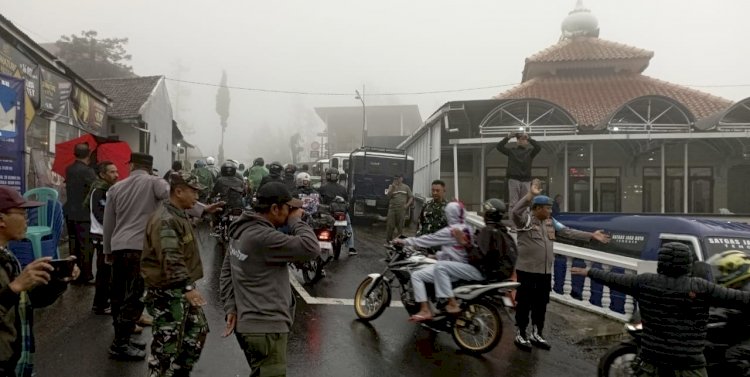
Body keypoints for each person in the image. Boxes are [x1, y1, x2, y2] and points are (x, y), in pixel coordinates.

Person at [104, 152, 222, 360]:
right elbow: (176, 196)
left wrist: (108, 250)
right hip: (140, 247)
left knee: (119, 295)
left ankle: (121, 337)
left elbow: (109, 223)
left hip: (119, 245)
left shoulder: (116, 187)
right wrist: (202, 210)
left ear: (131, 165)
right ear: (149, 167)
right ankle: (120, 344)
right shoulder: (155, 183)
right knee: (135, 297)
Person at [571, 243, 750, 377]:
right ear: (687, 264)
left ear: (661, 262)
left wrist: (589, 272)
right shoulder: (701, 287)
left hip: (652, 364)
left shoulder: (646, 282)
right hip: (689, 367)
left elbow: (614, 279)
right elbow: (738, 298)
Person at [220, 182, 320, 376]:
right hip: (265, 329)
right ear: (275, 208)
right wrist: (297, 222)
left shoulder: (242, 229)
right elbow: (311, 248)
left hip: (251, 326)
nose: (292, 212)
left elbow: (227, 270)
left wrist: (230, 306)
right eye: (288, 208)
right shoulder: (263, 237)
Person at [512, 179, 610, 351]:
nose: (550, 211)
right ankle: (521, 334)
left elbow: (567, 231)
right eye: (547, 208)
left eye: (550, 208)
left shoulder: (550, 222)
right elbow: (515, 211)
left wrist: (591, 235)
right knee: (524, 303)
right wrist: (530, 195)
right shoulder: (525, 220)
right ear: (537, 209)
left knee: (541, 304)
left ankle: (537, 333)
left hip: (544, 272)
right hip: (527, 271)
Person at [0, 185, 79, 376]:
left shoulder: (7, 257)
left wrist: (57, 280)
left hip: (15, 359)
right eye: (22, 213)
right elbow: (10, 296)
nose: (27, 220)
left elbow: (26, 303)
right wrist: (15, 288)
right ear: (1, 219)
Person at [141, 172, 209, 376]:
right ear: (178, 191)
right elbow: (171, 257)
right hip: (168, 293)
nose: (197, 197)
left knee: (196, 333)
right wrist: (187, 287)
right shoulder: (166, 220)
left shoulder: (179, 214)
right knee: (166, 346)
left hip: (181, 288)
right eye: (193, 192)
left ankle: (180, 372)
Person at [393, 202, 481, 321]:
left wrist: (405, 241)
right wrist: (436, 255)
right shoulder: (468, 228)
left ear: (450, 214)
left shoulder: (451, 231)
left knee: (417, 275)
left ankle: (425, 310)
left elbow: (429, 239)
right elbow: (455, 250)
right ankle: (436, 304)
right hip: (461, 266)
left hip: (456, 270)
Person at [706, 250, 750, 376]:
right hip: (740, 332)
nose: (721, 274)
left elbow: (729, 310)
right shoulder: (737, 286)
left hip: (746, 337)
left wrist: (706, 315)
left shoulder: (747, 288)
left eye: (726, 270)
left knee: (732, 355)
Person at [85, 161, 119, 315]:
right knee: (104, 272)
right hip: (101, 236)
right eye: (111, 172)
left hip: (108, 235)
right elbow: (100, 215)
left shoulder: (109, 190)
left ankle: (104, 302)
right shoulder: (99, 190)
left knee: (108, 272)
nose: (115, 175)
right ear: (102, 174)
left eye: (116, 171)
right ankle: (100, 304)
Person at [63, 142, 97, 284]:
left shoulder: (69, 169)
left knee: (73, 245)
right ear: (88, 155)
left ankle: (73, 274)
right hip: (83, 213)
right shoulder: (88, 172)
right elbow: (94, 188)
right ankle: (86, 275)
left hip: (70, 211)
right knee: (86, 246)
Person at [496, 132, 541, 210]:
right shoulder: (511, 151)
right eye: (519, 139)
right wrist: (508, 137)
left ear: (527, 142)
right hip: (514, 179)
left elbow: (538, 147)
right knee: (513, 202)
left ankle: (524, 220)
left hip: (526, 180)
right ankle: (513, 221)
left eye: (524, 139)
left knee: (525, 202)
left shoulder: (530, 152)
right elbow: (499, 147)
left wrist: (529, 138)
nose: (521, 141)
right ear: (517, 142)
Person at [318, 168, 356, 255]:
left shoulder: (322, 188)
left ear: (327, 176)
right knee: (348, 226)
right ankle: (351, 247)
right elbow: (346, 201)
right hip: (341, 212)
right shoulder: (342, 189)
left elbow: (319, 200)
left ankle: (320, 243)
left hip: (327, 213)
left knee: (320, 225)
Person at [385, 173, 413, 245]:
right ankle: (389, 242)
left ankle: (399, 243)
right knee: (390, 226)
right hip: (392, 209)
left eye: (398, 178)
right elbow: (388, 197)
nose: (397, 180)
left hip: (401, 209)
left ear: (402, 178)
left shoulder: (406, 187)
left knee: (400, 226)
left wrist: (407, 205)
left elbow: (411, 197)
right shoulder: (391, 186)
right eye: (395, 178)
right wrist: (393, 188)